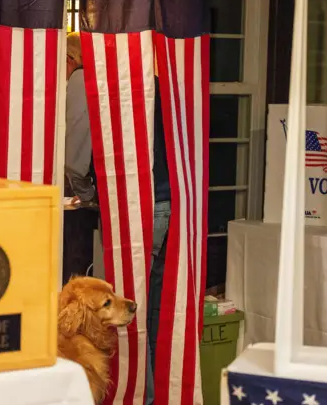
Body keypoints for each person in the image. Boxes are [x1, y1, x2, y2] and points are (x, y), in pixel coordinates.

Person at [62, 32, 98, 285]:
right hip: (93, 188)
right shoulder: (93, 80)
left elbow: (76, 153)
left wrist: (84, 194)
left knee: (76, 275)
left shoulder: (80, 80)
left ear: (70, 58)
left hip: (84, 197)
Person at [146, 70, 172, 405]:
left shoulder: (127, 86)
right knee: (152, 310)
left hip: (146, 204)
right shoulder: (166, 86)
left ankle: (141, 395)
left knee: (126, 310)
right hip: (170, 202)